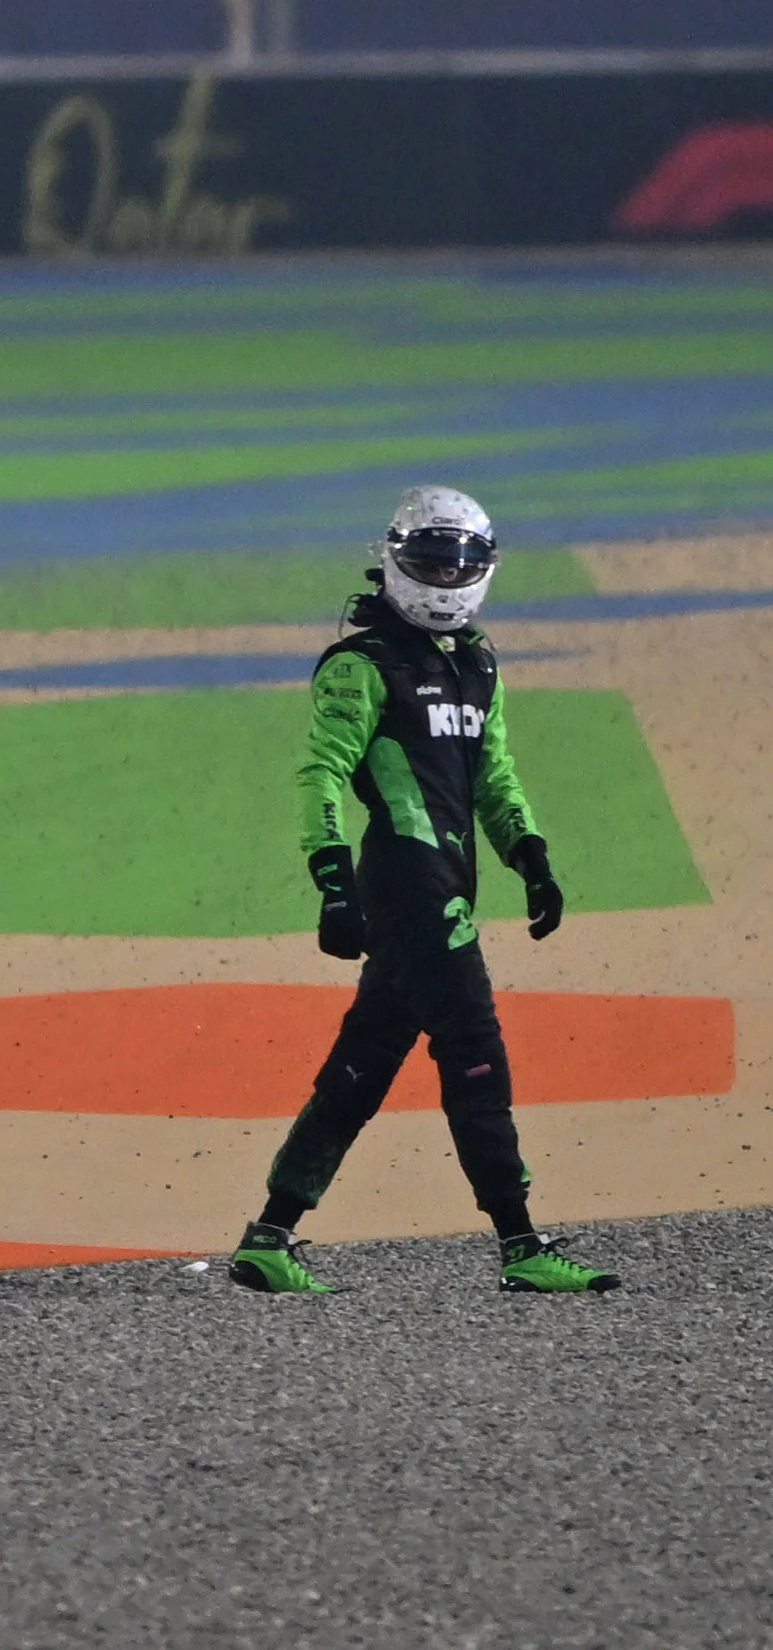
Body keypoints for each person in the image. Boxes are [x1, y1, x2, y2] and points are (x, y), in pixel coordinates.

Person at [228, 486, 620, 1294]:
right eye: (430, 560)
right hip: (407, 885)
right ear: (395, 559)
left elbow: (494, 775)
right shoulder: (360, 665)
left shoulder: (478, 661)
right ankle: (521, 1246)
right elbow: (321, 773)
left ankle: (269, 1235)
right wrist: (334, 886)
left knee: (364, 1063)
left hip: (448, 881)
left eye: (460, 561)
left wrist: (530, 857)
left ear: (483, 567)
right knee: (473, 1045)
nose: (444, 575)